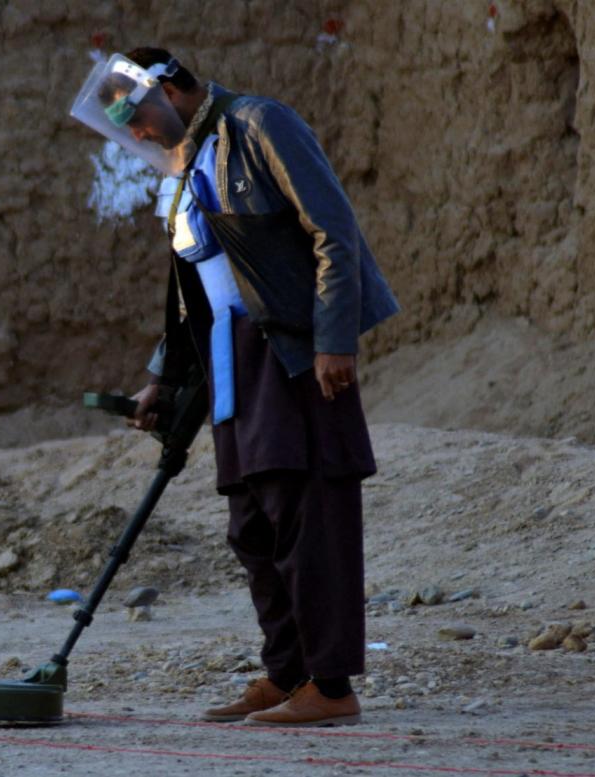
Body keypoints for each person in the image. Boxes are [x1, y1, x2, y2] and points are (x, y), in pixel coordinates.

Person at [73, 48, 399, 726]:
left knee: (306, 512)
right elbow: (197, 288)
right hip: (229, 360)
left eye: (138, 116)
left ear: (171, 89)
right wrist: (162, 379)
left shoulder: (259, 124)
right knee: (253, 524)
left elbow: (332, 228)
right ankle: (287, 672)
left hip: (289, 348)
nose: (136, 135)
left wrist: (334, 338)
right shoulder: (190, 164)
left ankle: (331, 685)